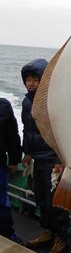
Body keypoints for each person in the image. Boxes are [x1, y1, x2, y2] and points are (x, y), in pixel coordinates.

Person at [20, 59, 69, 253]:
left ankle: (62, 237)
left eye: (35, 79)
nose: (30, 83)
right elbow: (27, 129)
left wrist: (60, 158)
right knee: (40, 197)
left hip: (52, 160)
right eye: (28, 80)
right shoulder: (26, 101)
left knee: (54, 203)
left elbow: (62, 131)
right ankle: (47, 231)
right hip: (38, 159)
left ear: (44, 81)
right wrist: (27, 153)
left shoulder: (53, 101)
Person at [0, 97, 23, 244]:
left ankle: (7, 232)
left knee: (1, 200)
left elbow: (13, 136)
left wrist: (14, 160)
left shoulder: (3, 107)